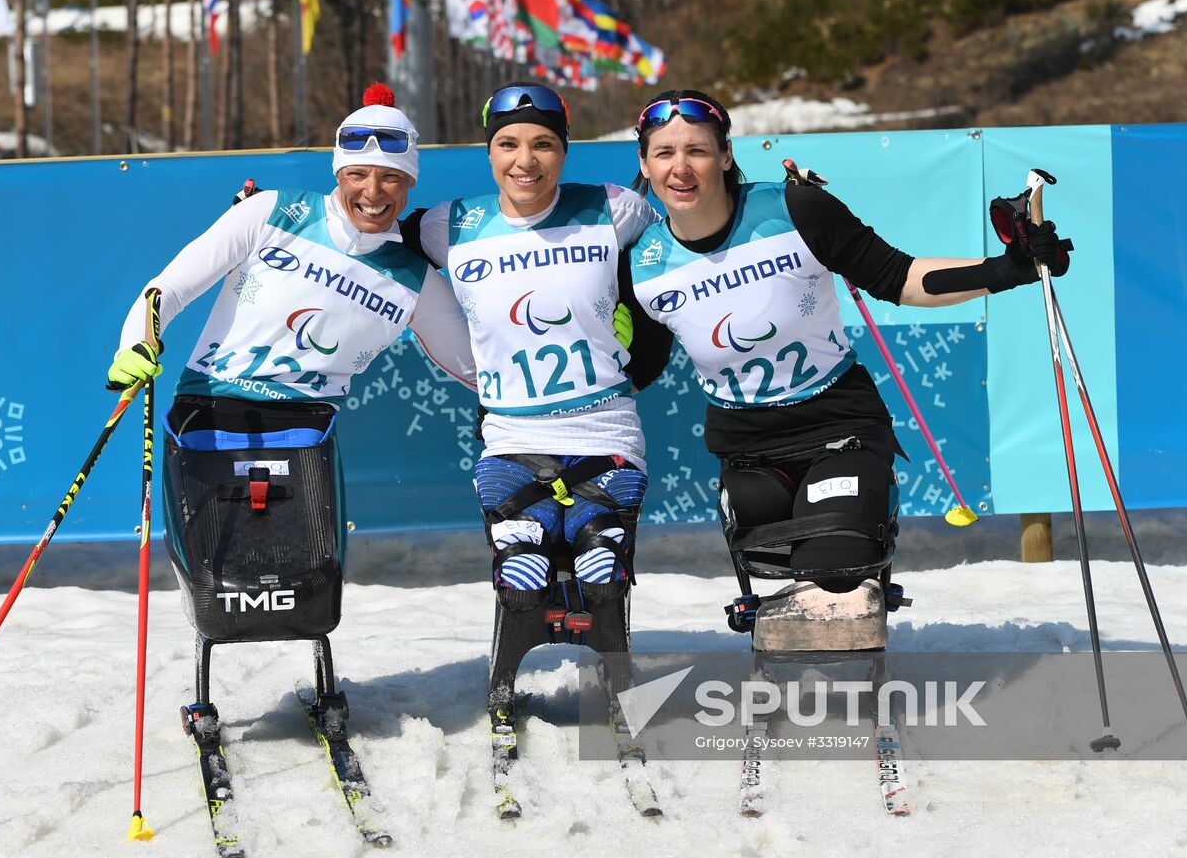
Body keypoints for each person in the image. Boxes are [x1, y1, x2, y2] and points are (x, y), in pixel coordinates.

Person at [623, 89, 1072, 618]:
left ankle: (867, 517)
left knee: (835, 573)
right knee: (771, 558)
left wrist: (1009, 268)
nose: (680, 168)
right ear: (645, 164)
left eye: (697, 150)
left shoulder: (794, 209)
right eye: (664, 153)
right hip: (746, 448)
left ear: (725, 155)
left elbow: (900, 277)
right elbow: (641, 364)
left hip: (838, 426)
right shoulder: (640, 263)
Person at [107, 84, 474, 694]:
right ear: (339, 173)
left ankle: (318, 669)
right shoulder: (272, 212)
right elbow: (166, 289)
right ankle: (208, 676)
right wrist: (136, 344)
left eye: (391, 178)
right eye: (358, 174)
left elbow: (475, 366)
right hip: (211, 408)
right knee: (217, 577)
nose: (374, 192)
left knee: (301, 578)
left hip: (301, 429)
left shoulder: (412, 276)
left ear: (410, 183)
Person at [402, 82, 661, 611]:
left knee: (602, 571)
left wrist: (643, 352)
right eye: (508, 144)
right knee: (521, 577)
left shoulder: (615, 208)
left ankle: (600, 547)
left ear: (564, 151)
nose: (525, 161)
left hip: (605, 433)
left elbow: (679, 261)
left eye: (543, 144)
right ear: (489, 152)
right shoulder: (448, 225)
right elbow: (365, 239)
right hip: (512, 439)